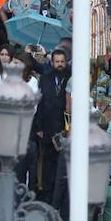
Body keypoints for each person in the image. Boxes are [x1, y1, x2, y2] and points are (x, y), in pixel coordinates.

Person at [34, 49, 70, 201]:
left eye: (62, 62)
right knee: (47, 162)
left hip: (64, 128)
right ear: (52, 62)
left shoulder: (71, 79)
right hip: (47, 127)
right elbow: (40, 103)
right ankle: (47, 193)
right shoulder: (45, 79)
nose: (60, 65)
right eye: (57, 62)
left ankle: (60, 196)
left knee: (63, 164)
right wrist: (39, 127)